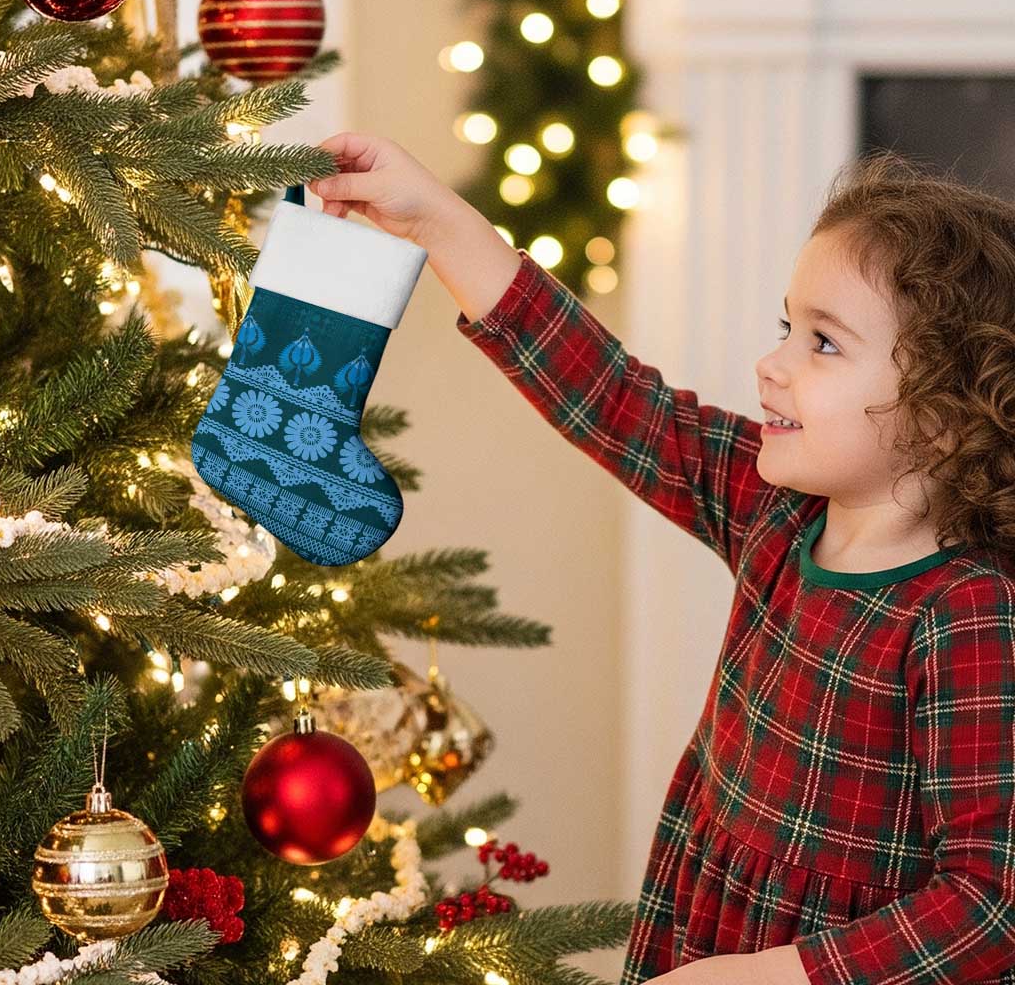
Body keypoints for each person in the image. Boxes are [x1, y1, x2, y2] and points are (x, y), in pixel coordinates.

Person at [308, 136, 1015, 985]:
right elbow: (615, 398)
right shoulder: (779, 513)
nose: (772, 365)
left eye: (823, 344)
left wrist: (764, 978)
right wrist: (438, 221)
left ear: (945, 414)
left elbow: (990, 903)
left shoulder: (968, 614)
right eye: (787, 328)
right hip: (705, 927)